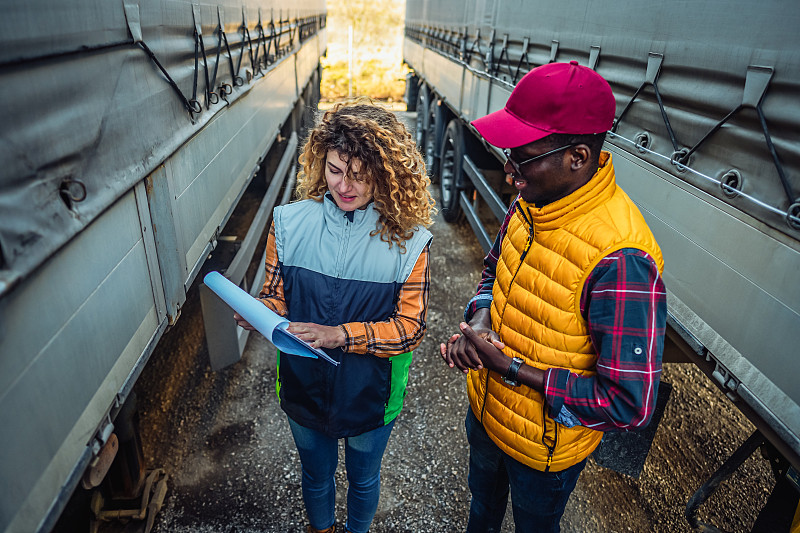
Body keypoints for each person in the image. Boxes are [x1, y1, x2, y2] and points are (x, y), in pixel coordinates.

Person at [440, 61, 667, 533]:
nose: (508, 172)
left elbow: (627, 402)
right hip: (486, 416)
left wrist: (513, 371)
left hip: (543, 456)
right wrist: (479, 319)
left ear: (578, 156)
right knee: (480, 511)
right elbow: (492, 271)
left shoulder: (620, 258)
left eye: (521, 157)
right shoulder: (533, 202)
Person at [235, 101, 435, 533]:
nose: (344, 186)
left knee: (363, 479)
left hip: (371, 394)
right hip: (304, 386)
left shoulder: (410, 242)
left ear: (385, 174)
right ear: (321, 163)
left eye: (361, 176)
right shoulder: (288, 223)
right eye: (335, 170)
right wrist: (260, 315)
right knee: (315, 476)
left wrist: (338, 335)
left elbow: (410, 329)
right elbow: (275, 297)